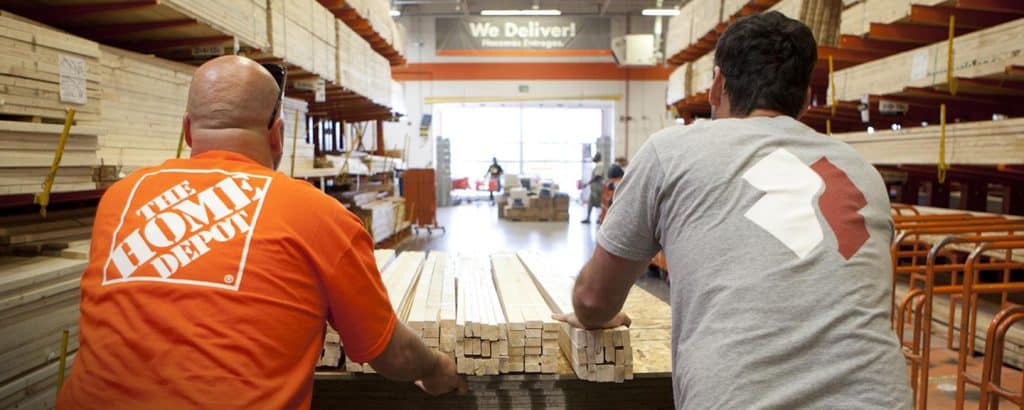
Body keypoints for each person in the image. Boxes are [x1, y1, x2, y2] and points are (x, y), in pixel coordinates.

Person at [57, 56, 464, 409]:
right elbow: (391, 353)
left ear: (187, 130)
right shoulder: (319, 215)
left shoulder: (120, 199)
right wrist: (436, 368)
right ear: (278, 135)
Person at [555, 12, 911, 409]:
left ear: (717, 85)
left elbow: (592, 299)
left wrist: (593, 314)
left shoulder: (672, 151)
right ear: (806, 96)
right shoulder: (860, 171)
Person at [580, 152, 605, 224]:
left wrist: (587, 183)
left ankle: (601, 218)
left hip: (597, 188)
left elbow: (597, 176)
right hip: (594, 188)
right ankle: (588, 218)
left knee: (599, 203)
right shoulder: (598, 165)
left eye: (595, 157)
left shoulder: (600, 165)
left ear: (598, 158)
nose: (594, 158)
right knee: (591, 202)